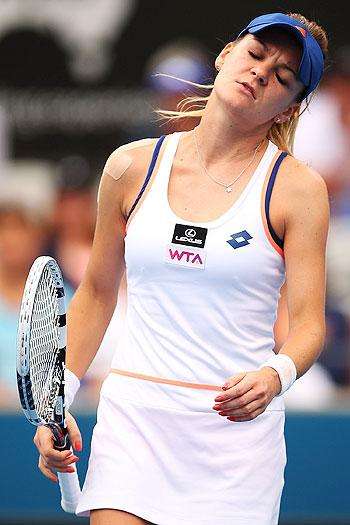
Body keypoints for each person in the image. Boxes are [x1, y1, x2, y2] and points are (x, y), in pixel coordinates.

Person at [33, 12, 329, 525]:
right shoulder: (129, 166)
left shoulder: (299, 190)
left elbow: (308, 326)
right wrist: (57, 400)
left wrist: (274, 375)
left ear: (293, 107)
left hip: (235, 442)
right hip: (135, 422)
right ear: (226, 55)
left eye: (283, 77)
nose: (261, 72)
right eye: (256, 54)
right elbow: (98, 294)